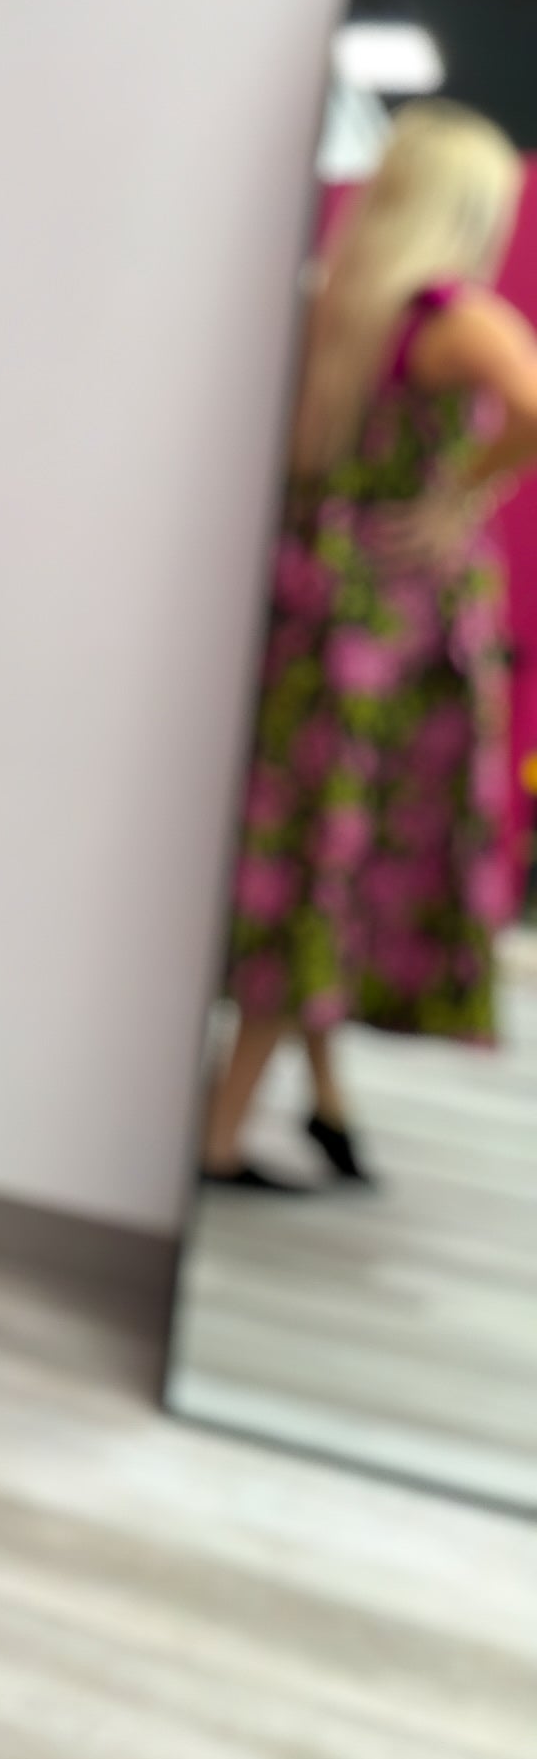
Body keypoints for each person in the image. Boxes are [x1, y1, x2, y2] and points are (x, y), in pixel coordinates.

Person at [210, 97, 537, 1186]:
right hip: (397, 634)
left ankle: (328, 1104)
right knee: (328, 869)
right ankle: (221, 1132)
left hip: (313, 611)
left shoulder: (336, 303)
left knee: (312, 853)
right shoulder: (452, 316)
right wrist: (461, 495)